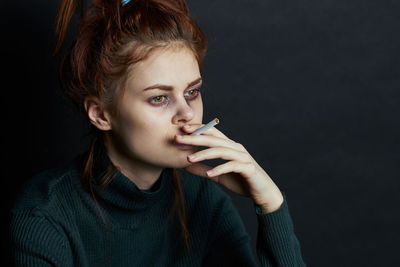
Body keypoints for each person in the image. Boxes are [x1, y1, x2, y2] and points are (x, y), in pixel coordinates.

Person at [9, 0, 306, 266]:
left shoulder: (201, 199)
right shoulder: (44, 216)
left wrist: (270, 204)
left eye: (192, 92)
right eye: (159, 98)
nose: (187, 114)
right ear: (100, 114)